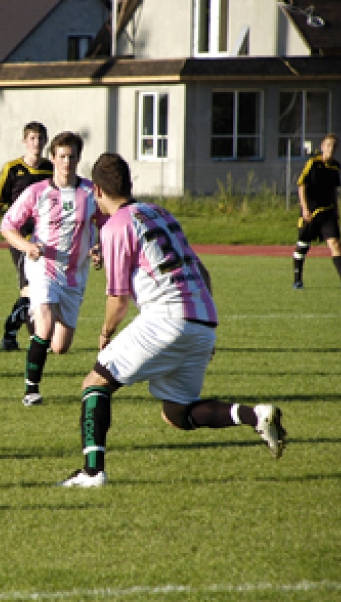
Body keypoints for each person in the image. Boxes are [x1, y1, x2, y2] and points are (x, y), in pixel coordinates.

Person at [61, 153, 287, 488]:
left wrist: (106, 333)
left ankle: (92, 472)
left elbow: (118, 300)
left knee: (95, 385)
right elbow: (203, 272)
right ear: (130, 183)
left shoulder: (116, 225)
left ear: (96, 190)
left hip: (166, 318)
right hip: (202, 321)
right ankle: (255, 416)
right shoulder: (161, 213)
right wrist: (204, 329)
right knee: (178, 413)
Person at [0, 131, 101, 406]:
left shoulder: (91, 192)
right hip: (43, 267)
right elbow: (7, 226)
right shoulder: (38, 192)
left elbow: (106, 225)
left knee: (60, 346)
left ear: (79, 158)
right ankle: (31, 390)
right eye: (62, 156)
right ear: (53, 159)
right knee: (44, 325)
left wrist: (99, 248)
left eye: (72, 156)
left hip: (75, 275)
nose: (67, 162)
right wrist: (27, 247)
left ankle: (27, 311)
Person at [0, 121, 53, 351]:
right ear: (24, 141)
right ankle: (10, 334)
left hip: (45, 238)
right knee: (29, 288)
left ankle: (36, 337)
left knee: (41, 288)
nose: (36, 143)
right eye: (32, 138)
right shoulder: (13, 169)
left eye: (40, 138)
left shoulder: (51, 169)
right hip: (19, 238)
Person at [292, 133, 341, 291]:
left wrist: (336, 209)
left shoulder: (336, 166)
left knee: (335, 243)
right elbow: (301, 185)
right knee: (303, 246)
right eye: (328, 145)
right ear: (322, 147)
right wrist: (305, 209)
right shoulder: (312, 163)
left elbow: (333, 190)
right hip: (311, 212)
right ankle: (297, 280)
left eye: (334, 146)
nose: (331, 149)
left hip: (327, 212)